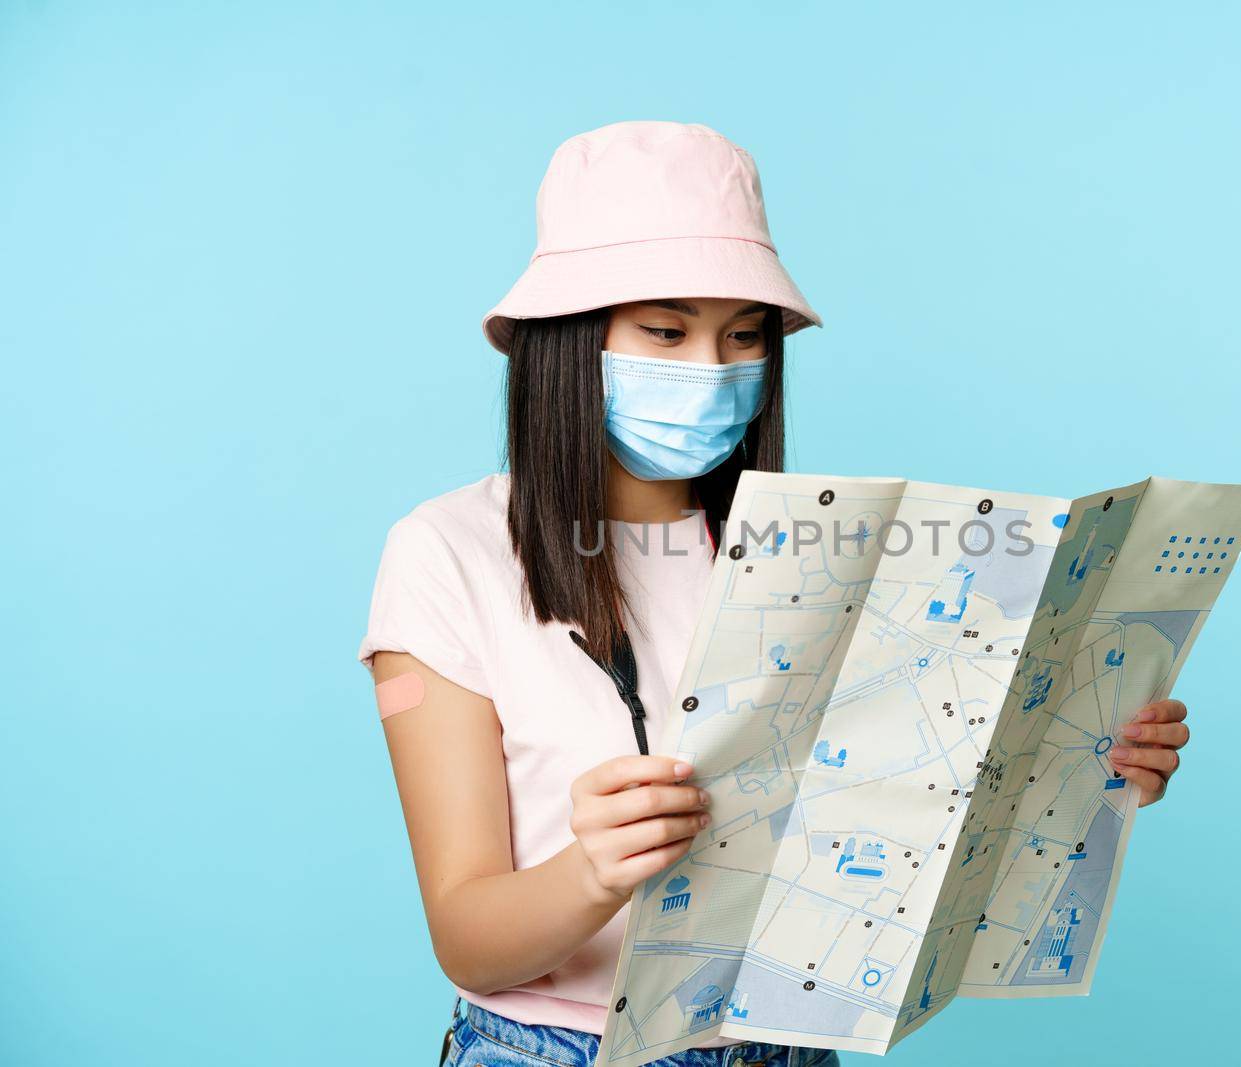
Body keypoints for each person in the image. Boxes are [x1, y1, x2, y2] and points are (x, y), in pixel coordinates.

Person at [357, 120, 1192, 1067]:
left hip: (788, 1043)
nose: (712, 370)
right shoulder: (445, 552)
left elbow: (895, 826)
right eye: (666, 331)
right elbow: (466, 934)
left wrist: (1076, 768)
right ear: (566, 340)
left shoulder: (821, 552)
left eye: (744, 336)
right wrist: (592, 871)